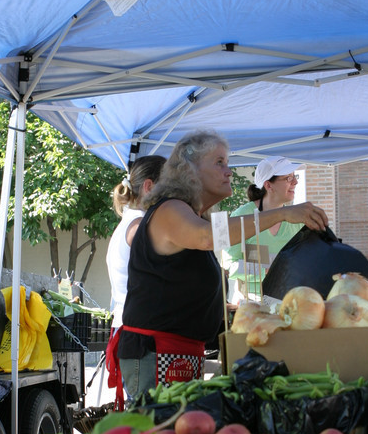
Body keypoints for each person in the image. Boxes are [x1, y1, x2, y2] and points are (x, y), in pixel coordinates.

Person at [106, 130, 328, 403]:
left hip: (181, 352)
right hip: (156, 352)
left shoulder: (192, 215)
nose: (229, 171)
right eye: (219, 162)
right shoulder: (169, 210)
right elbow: (208, 236)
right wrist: (282, 213)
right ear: (189, 170)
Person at [224, 157, 304, 302]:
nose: (295, 182)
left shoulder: (297, 220)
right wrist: (265, 271)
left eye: (294, 177)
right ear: (268, 185)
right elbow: (228, 264)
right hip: (252, 306)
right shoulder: (241, 217)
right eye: (288, 178)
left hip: (289, 303)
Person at [106, 155, 166, 331]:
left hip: (128, 326)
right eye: (169, 187)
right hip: (137, 331)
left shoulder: (130, 222)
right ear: (149, 187)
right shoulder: (141, 225)